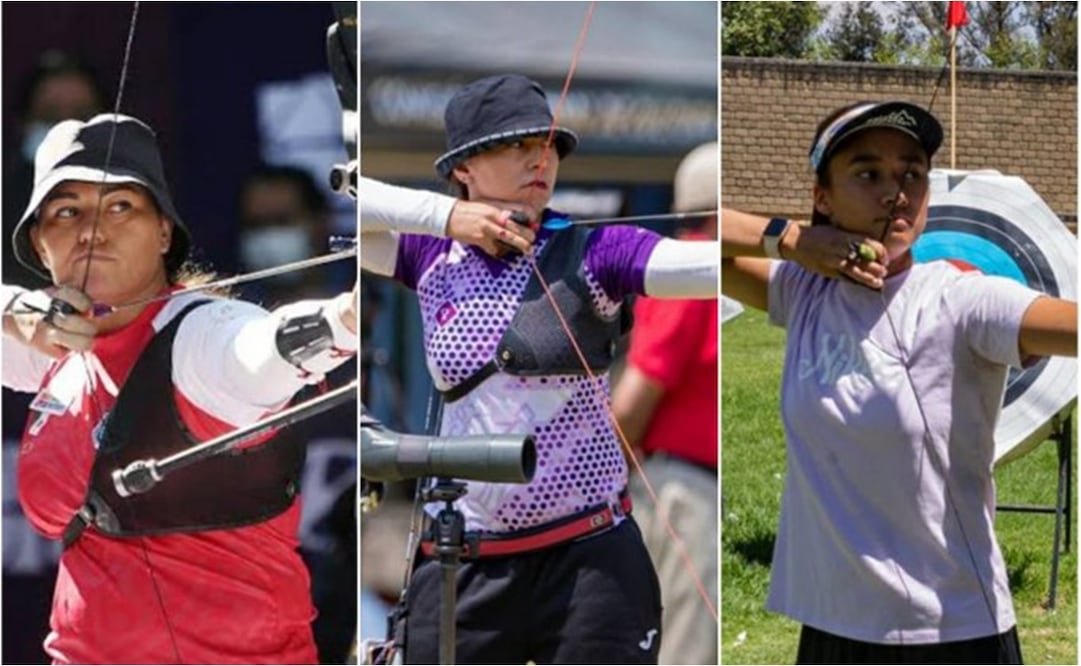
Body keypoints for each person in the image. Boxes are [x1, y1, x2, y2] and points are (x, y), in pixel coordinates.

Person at [359, 73, 717, 665]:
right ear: (464, 167)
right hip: (467, 560)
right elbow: (348, 196)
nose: (539, 159)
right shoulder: (426, 252)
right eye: (516, 145)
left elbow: (699, 266)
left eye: (547, 144)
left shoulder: (595, 253)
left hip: (590, 560)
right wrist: (451, 218)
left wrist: (783, 243)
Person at [721, 100, 1077, 664]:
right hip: (832, 626)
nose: (896, 192)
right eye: (868, 174)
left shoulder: (961, 298)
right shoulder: (801, 290)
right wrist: (790, 240)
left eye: (912, 174)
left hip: (952, 634)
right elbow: (692, 233)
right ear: (822, 196)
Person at [2, 113, 358, 664]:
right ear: (39, 243)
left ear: (164, 231)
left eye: (121, 206)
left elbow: (259, 349)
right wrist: (12, 311)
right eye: (66, 211)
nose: (92, 229)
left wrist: (343, 320)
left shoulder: (198, 338)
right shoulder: (53, 345)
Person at [611, 141, 718, 665]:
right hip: (685, 495)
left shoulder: (698, 270)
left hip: (684, 488)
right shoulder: (692, 273)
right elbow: (632, 402)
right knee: (687, 652)